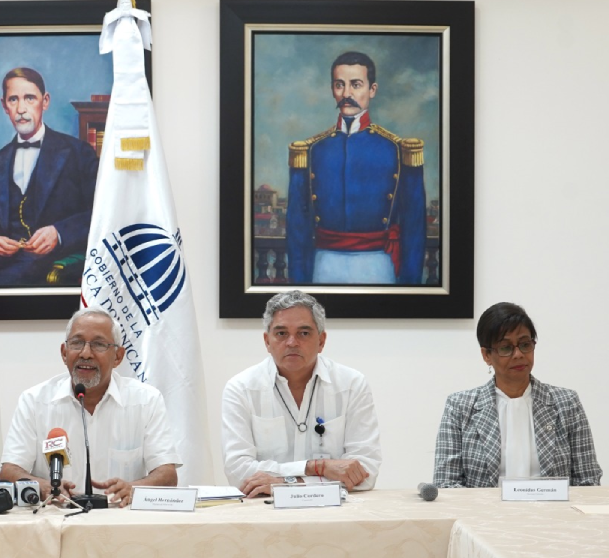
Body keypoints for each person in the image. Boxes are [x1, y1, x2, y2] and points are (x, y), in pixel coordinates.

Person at [0, 308, 180, 507]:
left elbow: (167, 475)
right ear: (64, 352)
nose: (86, 353)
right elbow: (9, 472)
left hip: (122, 523)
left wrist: (133, 488)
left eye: (99, 344)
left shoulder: (146, 400)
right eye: (77, 343)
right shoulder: (34, 401)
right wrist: (42, 485)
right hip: (55, 522)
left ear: (118, 356)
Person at [221, 290, 381, 497]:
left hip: (335, 512)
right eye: (281, 333)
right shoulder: (241, 389)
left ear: (322, 341)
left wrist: (285, 483)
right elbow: (238, 472)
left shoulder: (351, 385)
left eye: (303, 333)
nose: (292, 342)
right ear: (267, 341)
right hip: (265, 513)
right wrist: (317, 467)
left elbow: (365, 472)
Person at [285, 51, 426, 285]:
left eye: (356, 84)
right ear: (332, 89)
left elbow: (414, 226)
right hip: (323, 265)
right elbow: (297, 227)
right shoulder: (311, 150)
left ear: (372, 90)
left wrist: (410, 288)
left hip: (379, 265)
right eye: (340, 85)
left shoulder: (398, 149)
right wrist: (299, 284)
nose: (347, 94)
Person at [433, 302, 601, 488]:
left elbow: (588, 481)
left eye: (525, 344)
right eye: (506, 347)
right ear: (486, 355)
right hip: (485, 516)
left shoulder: (566, 403)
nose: (518, 354)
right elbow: (446, 483)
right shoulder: (460, 406)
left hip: (552, 515)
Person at [0, 67, 99, 287]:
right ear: (4, 106)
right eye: (13, 99)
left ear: (45, 101)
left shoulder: (78, 153)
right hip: (1, 260)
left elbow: (100, 213)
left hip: (55, 260)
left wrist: (59, 233)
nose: (21, 109)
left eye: (29, 98)